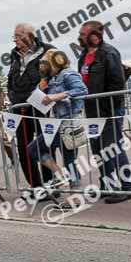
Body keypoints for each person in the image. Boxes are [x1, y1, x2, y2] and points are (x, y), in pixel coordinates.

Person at [77, 20, 131, 203]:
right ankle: (107, 185)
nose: (80, 37)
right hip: (92, 111)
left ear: (95, 36)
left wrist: (109, 109)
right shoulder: (83, 55)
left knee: (113, 147)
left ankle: (126, 187)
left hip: (108, 109)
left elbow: (117, 83)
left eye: (84, 34)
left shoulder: (109, 53)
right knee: (98, 149)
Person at [27, 50, 88, 191]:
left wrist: (58, 96)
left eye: (45, 63)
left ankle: (75, 196)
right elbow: (41, 96)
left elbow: (82, 90)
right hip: (57, 123)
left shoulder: (68, 74)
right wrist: (41, 88)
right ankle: (60, 174)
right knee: (34, 148)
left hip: (69, 123)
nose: (43, 67)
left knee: (70, 161)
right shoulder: (52, 78)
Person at [8, 23, 56, 190]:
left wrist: (43, 93)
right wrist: (12, 96)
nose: (15, 40)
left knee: (43, 145)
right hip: (20, 107)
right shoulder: (14, 55)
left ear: (29, 35)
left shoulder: (48, 50)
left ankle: (51, 184)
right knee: (23, 148)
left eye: (18, 36)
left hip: (41, 106)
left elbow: (57, 76)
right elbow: (11, 79)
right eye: (14, 37)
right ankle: (36, 186)